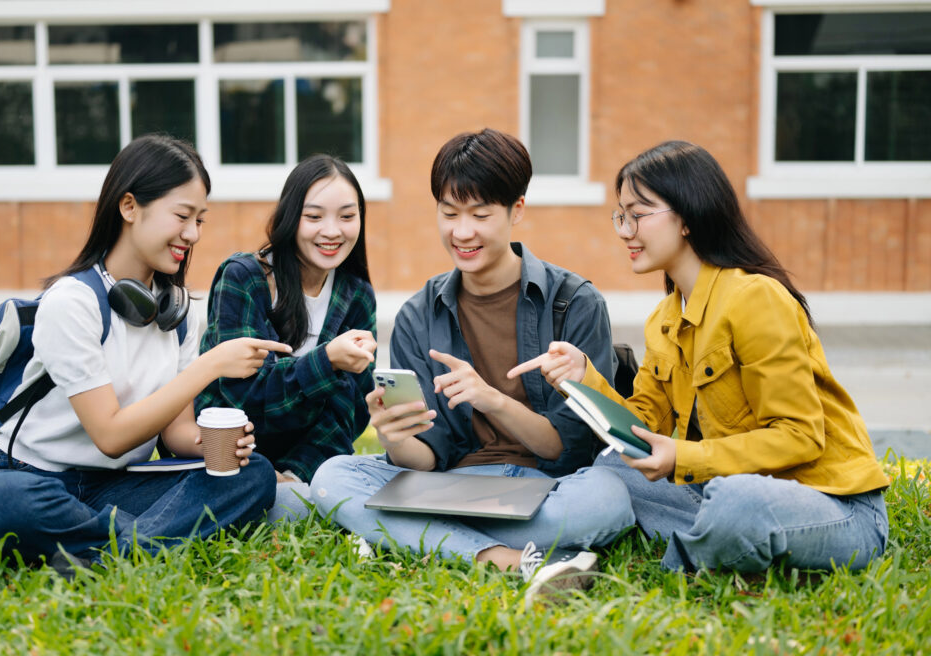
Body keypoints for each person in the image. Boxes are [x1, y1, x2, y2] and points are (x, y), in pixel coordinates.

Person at [510, 140, 890, 574]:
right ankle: (720, 542)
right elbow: (640, 428)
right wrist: (583, 378)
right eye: (621, 215)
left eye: (638, 215)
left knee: (735, 504)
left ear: (687, 217)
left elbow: (800, 436)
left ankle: (682, 561)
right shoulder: (665, 319)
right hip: (733, 489)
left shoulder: (755, 298)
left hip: (833, 507)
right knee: (615, 468)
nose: (624, 231)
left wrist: (684, 459)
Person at [310, 129, 634, 601]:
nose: (462, 232)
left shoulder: (574, 304)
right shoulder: (419, 314)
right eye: (449, 213)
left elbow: (568, 448)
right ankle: (503, 560)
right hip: (452, 486)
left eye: (480, 214)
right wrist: (396, 437)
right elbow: (425, 460)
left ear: (516, 211)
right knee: (333, 477)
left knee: (609, 499)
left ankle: (417, 536)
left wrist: (493, 400)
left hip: (547, 488)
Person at [0, 134, 289, 574]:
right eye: (182, 216)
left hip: (113, 486)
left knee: (253, 475)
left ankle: (95, 552)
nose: (193, 233)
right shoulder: (71, 302)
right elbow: (109, 436)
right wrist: (210, 366)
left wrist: (218, 444)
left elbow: (175, 435)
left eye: (200, 220)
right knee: (3, 504)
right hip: (26, 478)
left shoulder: (179, 313)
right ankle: (142, 547)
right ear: (129, 207)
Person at [196, 155, 377, 523]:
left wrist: (295, 475)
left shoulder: (356, 295)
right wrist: (326, 361)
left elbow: (350, 409)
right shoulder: (244, 277)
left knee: (310, 501)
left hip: (308, 466)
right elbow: (241, 395)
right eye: (314, 217)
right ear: (291, 217)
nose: (332, 231)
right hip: (233, 458)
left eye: (347, 216)